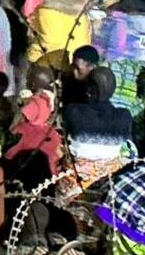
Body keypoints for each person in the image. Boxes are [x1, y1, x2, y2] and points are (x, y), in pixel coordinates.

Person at [59, 51, 133, 197]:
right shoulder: (124, 116)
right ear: (112, 91)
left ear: (89, 91)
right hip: (108, 185)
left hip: (75, 185)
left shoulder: (74, 112)